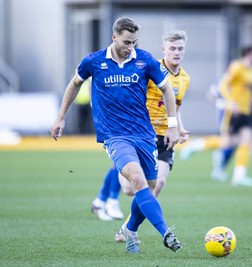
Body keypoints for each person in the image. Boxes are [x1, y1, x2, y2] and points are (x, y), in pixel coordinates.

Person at [50, 17, 181, 254]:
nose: (131, 46)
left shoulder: (144, 60)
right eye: (127, 41)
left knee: (142, 190)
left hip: (143, 134)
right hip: (114, 136)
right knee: (138, 182)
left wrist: (172, 125)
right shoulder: (94, 61)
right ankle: (166, 233)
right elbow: (74, 84)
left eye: (134, 42)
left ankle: (130, 230)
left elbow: (166, 89)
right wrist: (60, 117)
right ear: (114, 37)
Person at [114, 30, 190, 242]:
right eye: (172, 48)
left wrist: (179, 128)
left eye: (180, 48)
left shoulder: (185, 79)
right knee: (130, 189)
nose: (176, 52)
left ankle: (128, 228)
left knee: (158, 184)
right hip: (141, 135)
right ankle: (119, 163)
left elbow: (176, 106)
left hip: (165, 137)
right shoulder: (149, 69)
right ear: (163, 50)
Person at [214, 45, 252, 187]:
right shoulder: (236, 66)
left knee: (247, 139)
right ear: (249, 54)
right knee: (228, 142)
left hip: (246, 111)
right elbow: (222, 84)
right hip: (233, 111)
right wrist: (230, 102)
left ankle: (239, 176)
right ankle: (201, 147)